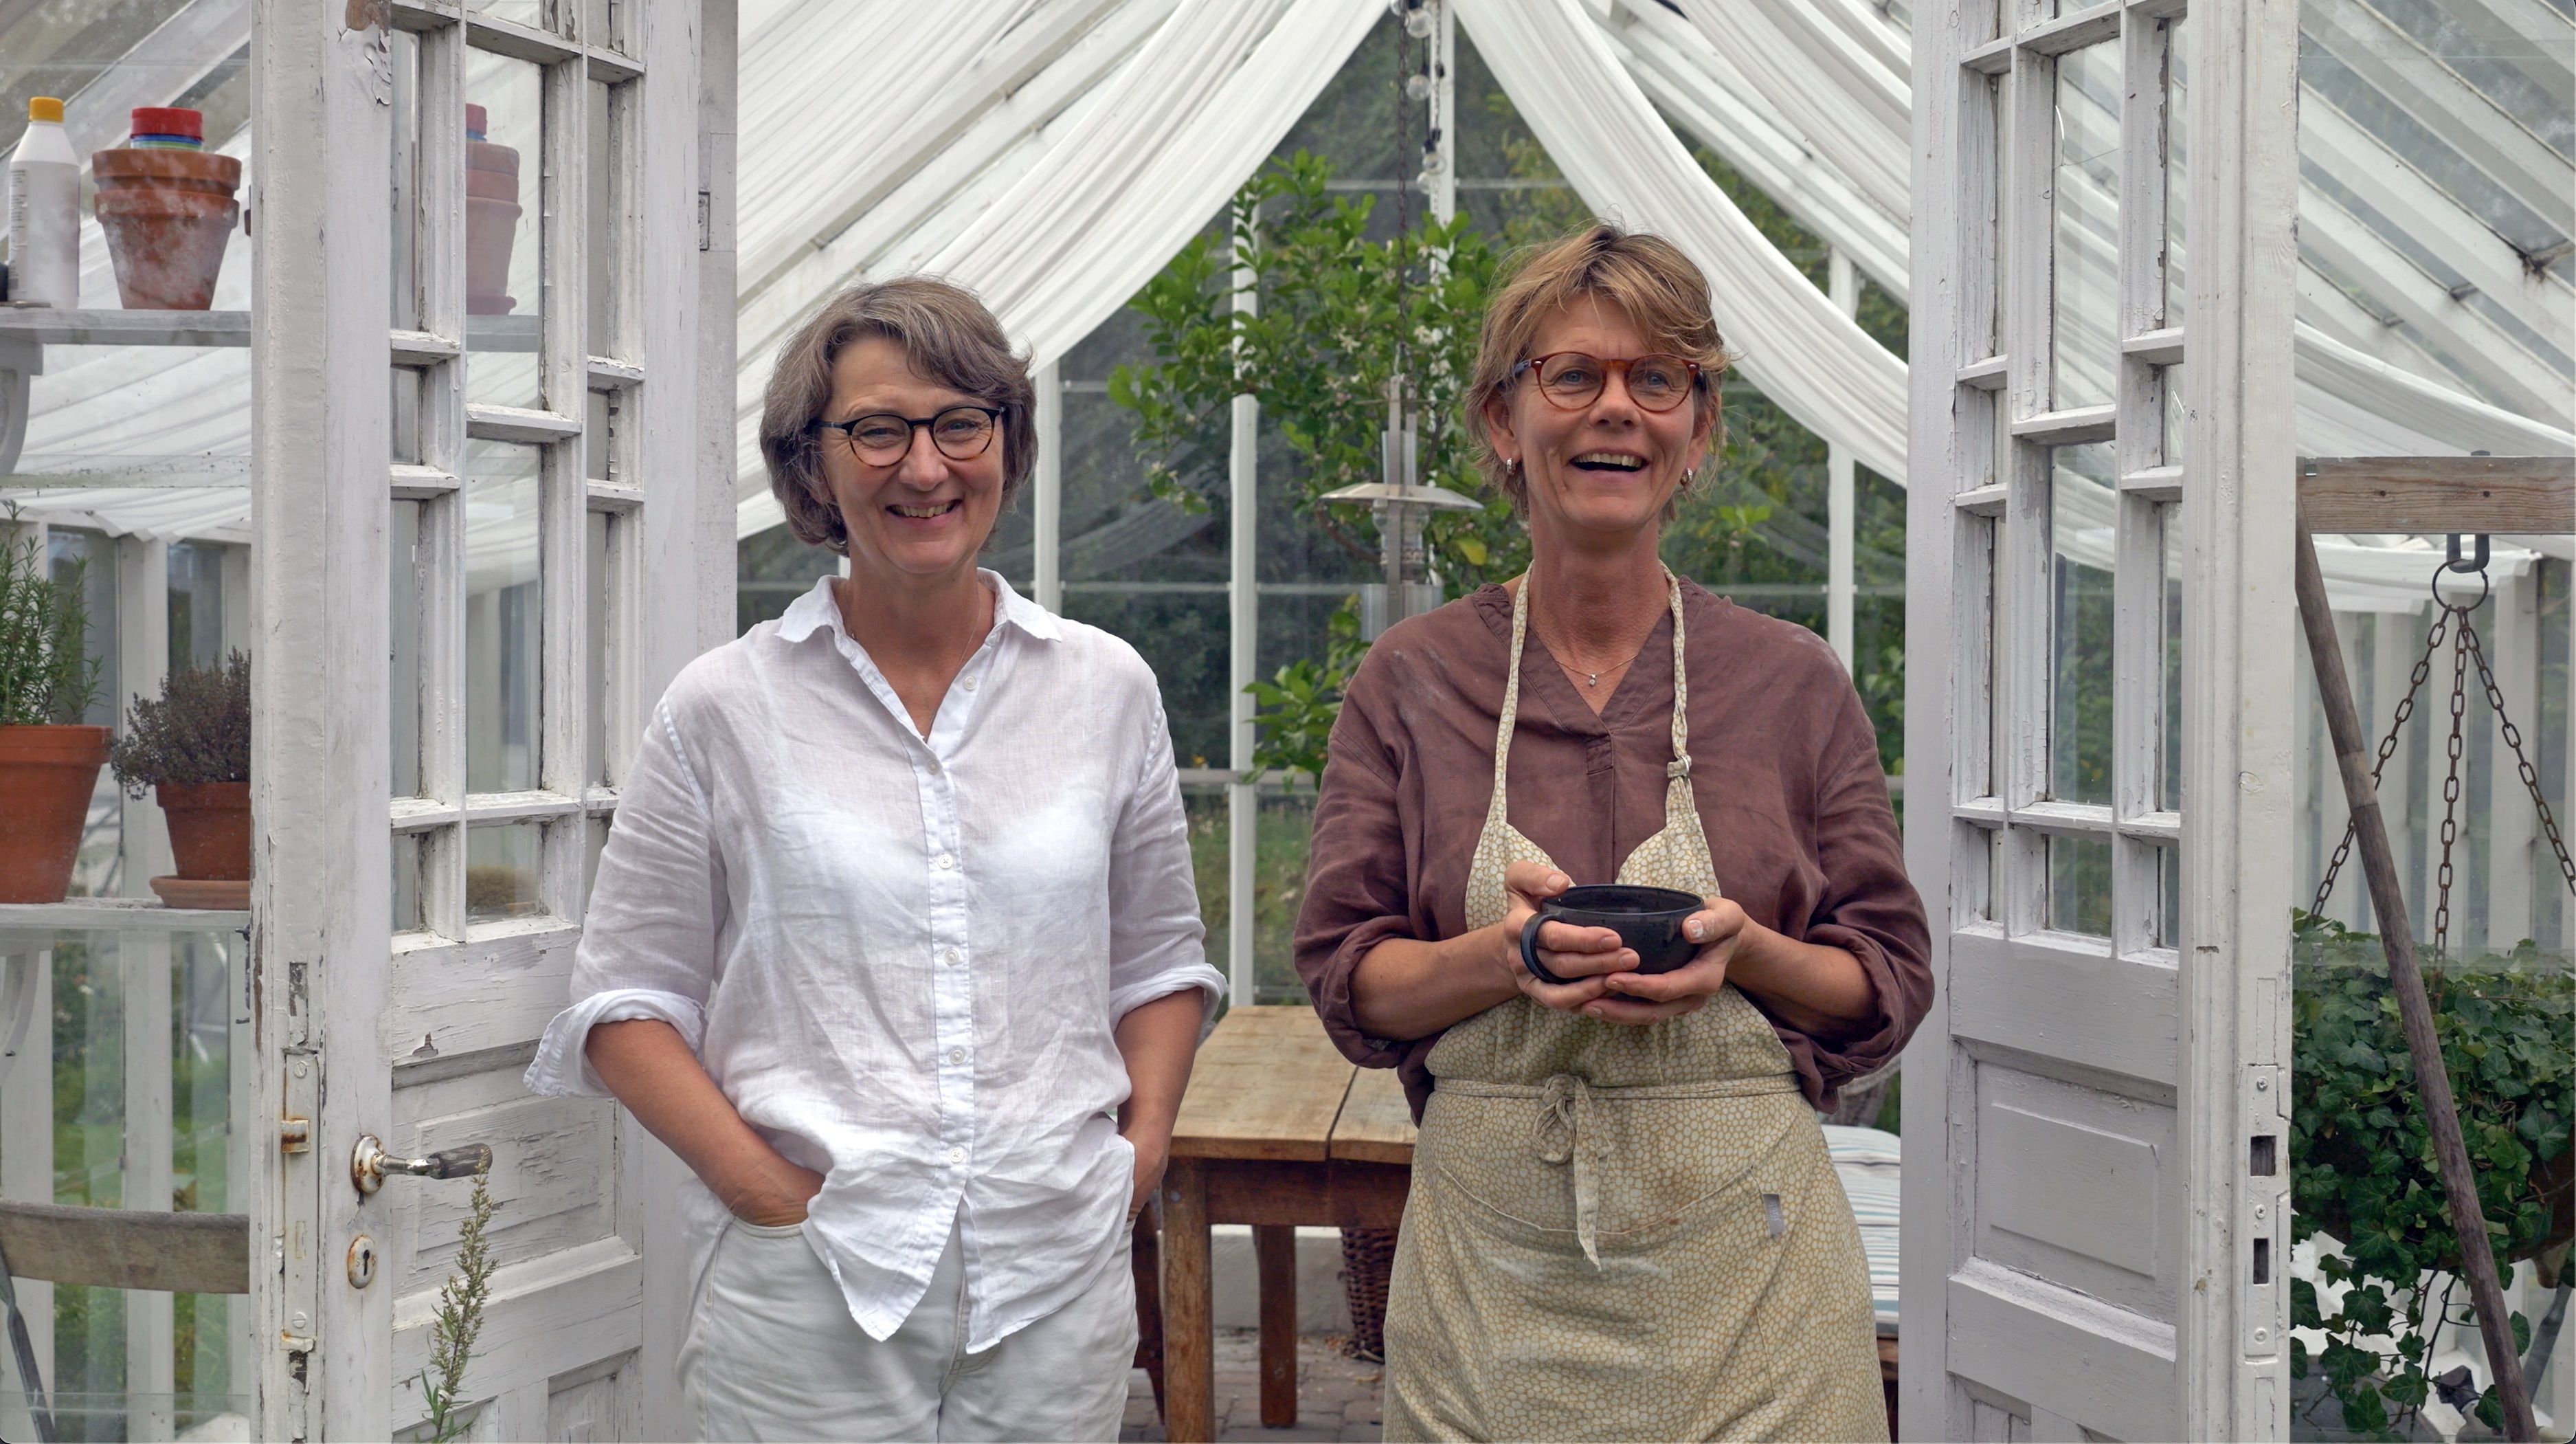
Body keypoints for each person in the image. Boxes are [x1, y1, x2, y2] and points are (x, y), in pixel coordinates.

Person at [526, 277, 1222, 1442]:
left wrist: (1135, 1156)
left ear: (1005, 439)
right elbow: (623, 1003)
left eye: (960, 422)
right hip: (811, 1287)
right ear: (814, 466)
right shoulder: (725, 707)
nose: (924, 467)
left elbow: (1156, 963)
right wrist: (766, 1193)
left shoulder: (1105, 688)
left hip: (1053, 1272)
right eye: (877, 430)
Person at [1295, 225, 1931, 1442]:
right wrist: (1504, 960)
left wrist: (1738, 952)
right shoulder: (1412, 678)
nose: (1616, 411)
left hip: (1750, 1293)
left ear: (1700, 428)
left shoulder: (1790, 683)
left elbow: (1881, 989)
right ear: (1501, 420)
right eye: (1570, 374)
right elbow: (1349, 980)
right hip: (1489, 1286)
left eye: (1658, 379)